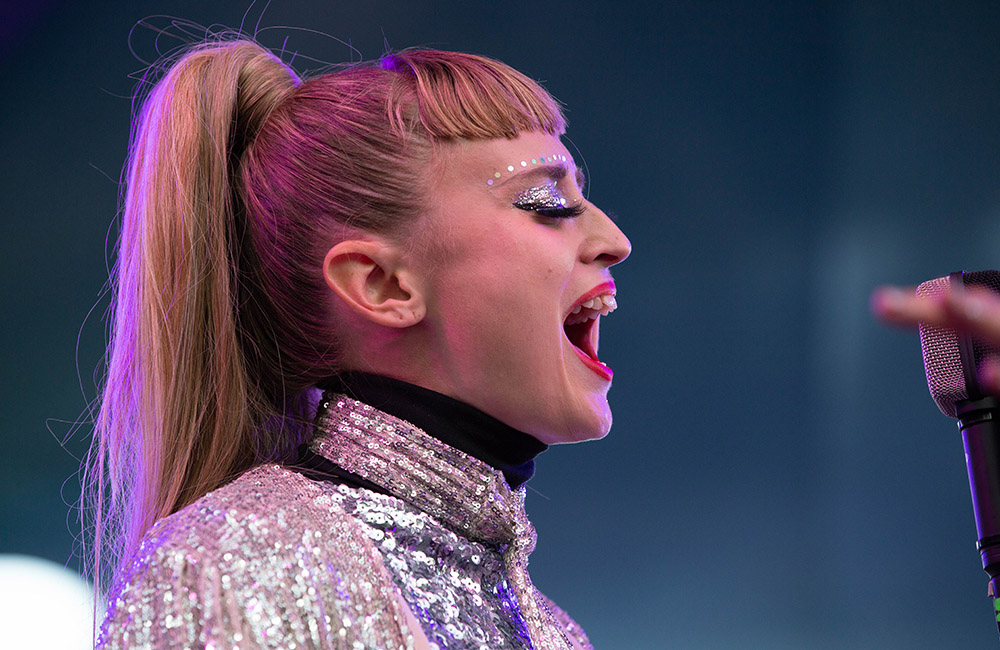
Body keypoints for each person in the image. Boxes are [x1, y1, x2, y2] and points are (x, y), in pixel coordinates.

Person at [89, 35, 630, 650]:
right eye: (548, 201)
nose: (615, 239)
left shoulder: (557, 634)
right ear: (381, 284)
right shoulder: (229, 571)